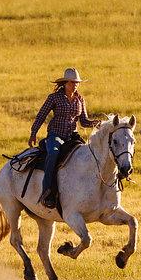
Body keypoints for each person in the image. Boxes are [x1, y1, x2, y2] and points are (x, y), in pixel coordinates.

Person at [29, 68, 101, 208]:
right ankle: (47, 191)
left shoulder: (80, 99)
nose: (75, 85)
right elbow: (41, 115)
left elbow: (84, 122)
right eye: (72, 82)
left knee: (88, 155)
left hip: (72, 137)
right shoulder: (54, 97)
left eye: (77, 82)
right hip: (55, 135)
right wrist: (33, 132)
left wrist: (98, 123)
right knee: (53, 153)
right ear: (65, 83)